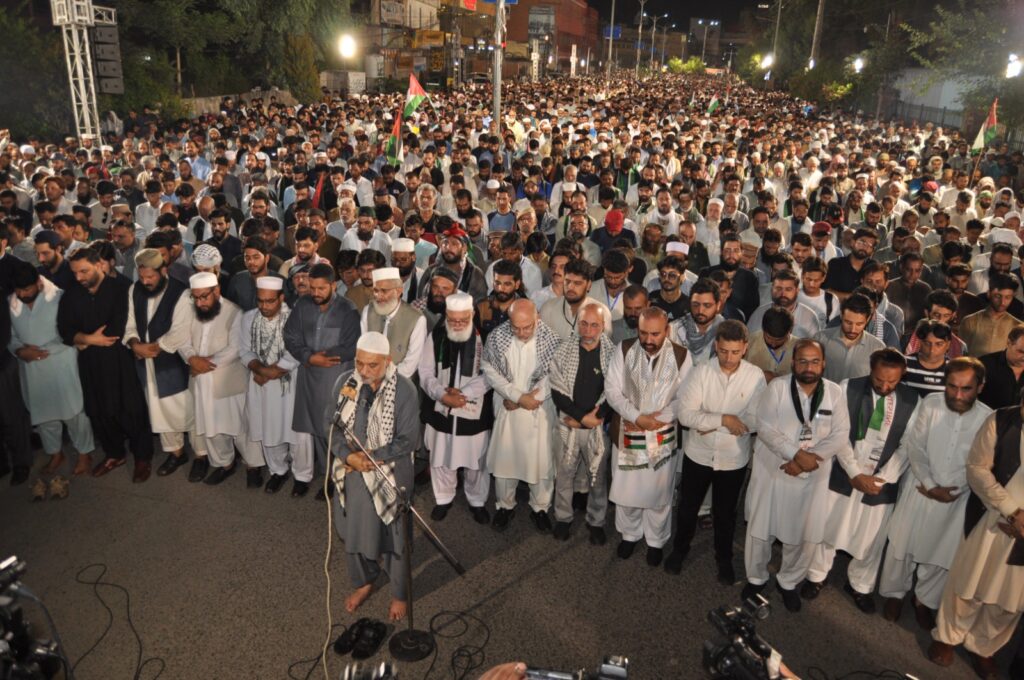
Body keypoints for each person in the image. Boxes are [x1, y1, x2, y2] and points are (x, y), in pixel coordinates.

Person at [803, 349, 920, 613]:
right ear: (871, 370)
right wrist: (854, 472)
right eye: (879, 380)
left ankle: (860, 585)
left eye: (893, 381)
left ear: (902, 376)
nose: (885, 386)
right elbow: (838, 433)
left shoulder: (913, 401)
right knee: (828, 528)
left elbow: (907, 446)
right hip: (845, 472)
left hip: (880, 481)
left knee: (871, 539)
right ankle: (816, 575)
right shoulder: (849, 388)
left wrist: (880, 479)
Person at [880, 358, 992, 634]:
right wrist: (931, 484)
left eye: (966, 389)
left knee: (939, 554)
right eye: (951, 386)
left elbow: (983, 463)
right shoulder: (930, 403)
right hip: (920, 487)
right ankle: (894, 594)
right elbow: (915, 447)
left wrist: (955, 489)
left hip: (957, 497)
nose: (957, 394)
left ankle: (924, 600)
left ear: (980, 387)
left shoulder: (988, 418)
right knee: (902, 546)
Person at [742, 339, 852, 613]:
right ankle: (756, 578)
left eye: (815, 361)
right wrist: (794, 454)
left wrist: (807, 461)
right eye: (802, 360)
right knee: (760, 530)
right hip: (774, 471)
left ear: (823, 363)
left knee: (801, 534)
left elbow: (840, 434)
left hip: (811, 476)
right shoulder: (777, 388)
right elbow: (765, 428)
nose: (809, 366)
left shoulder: (835, 393)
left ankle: (788, 581)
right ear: (793, 362)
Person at [926, 395, 1024, 678]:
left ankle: (983, 647)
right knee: (968, 582)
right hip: (992, 515)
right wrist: (1011, 511)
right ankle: (947, 636)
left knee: (1010, 600)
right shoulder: (1001, 420)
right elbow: (977, 469)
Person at [329, 331, 419, 622]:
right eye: (360, 364)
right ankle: (364, 581)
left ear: (388, 361)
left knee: (395, 539)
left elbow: (408, 440)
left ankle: (398, 593)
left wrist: (369, 456)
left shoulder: (404, 390)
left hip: (389, 468)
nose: (364, 372)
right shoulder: (346, 384)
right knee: (353, 531)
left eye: (373, 366)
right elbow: (330, 426)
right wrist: (348, 455)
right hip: (354, 467)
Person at [668, 320, 767, 583]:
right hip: (698, 455)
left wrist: (710, 423)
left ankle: (723, 558)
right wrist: (724, 420)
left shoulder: (756, 376)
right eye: (724, 351)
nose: (729, 357)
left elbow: (756, 421)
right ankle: (680, 550)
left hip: (733, 459)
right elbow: (686, 416)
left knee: (725, 514)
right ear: (716, 345)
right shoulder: (701, 371)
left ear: (745, 348)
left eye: (735, 352)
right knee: (688, 508)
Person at [57, 248, 154, 481]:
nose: (79, 277)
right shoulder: (71, 293)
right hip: (90, 362)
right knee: (98, 411)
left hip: (119, 360)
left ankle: (142, 457)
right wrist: (88, 339)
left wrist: (81, 339)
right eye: (74, 272)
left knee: (130, 409)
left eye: (84, 271)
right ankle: (114, 454)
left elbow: (116, 330)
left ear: (100, 265)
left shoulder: (121, 289)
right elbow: (64, 330)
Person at [605, 307, 692, 565]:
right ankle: (629, 535)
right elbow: (612, 390)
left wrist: (657, 420)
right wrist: (636, 417)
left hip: (661, 434)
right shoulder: (623, 349)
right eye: (643, 333)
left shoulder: (681, 355)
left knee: (658, 494)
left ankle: (656, 540)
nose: (649, 340)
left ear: (667, 330)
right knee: (627, 492)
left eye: (655, 333)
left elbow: (684, 397)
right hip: (628, 431)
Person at [8, 261, 96, 477]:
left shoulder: (59, 298)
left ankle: (85, 453)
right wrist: (20, 351)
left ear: (38, 283)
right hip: (31, 367)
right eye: (18, 290)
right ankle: (55, 453)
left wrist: (46, 349)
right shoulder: (10, 302)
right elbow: (9, 336)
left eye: (26, 289)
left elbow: (72, 330)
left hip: (61, 361)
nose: (22, 294)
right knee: (44, 415)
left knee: (74, 412)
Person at [284, 262, 361, 499]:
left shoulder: (348, 309)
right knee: (317, 429)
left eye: (321, 288)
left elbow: (351, 347)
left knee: (336, 431)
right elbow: (291, 336)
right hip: (310, 377)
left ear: (333, 286)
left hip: (335, 380)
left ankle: (341, 478)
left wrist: (322, 357)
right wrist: (309, 357)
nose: (316, 293)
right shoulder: (302, 305)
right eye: (312, 288)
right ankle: (329, 476)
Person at [482, 299, 560, 532]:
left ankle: (541, 508)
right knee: (506, 459)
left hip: (539, 409)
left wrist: (531, 399)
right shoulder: (497, 337)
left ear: (538, 319)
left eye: (527, 327)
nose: (522, 333)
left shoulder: (552, 340)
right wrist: (517, 396)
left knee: (541, 461)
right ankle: (505, 506)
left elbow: (556, 373)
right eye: (516, 328)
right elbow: (490, 369)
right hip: (509, 409)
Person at [179, 272, 263, 485]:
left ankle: (253, 466)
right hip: (200, 380)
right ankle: (224, 464)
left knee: (240, 426)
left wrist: (205, 363)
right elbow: (181, 339)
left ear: (217, 291)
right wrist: (191, 358)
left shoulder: (235, 313)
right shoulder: (191, 311)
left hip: (228, 379)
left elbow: (236, 348)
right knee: (211, 428)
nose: (200, 302)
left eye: (204, 297)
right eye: (195, 297)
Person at [419, 292, 492, 524]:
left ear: (472, 315)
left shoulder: (486, 337)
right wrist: (441, 394)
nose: (458, 325)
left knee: (476, 460)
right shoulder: (437, 336)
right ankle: (443, 497)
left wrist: (464, 394)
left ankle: (477, 500)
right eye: (453, 320)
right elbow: (426, 372)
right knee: (440, 456)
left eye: (463, 320)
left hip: (474, 409)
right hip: (442, 407)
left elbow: (490, 375)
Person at [238, 276, 314, 497]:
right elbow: (244, 350)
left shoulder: (295, 319)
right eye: (260, 301)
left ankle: (302, 475)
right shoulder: (248, 318)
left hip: (290, 386)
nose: (264, 306)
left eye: (270, 301)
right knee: (268, 427)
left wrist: (272, 371)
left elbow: (297, 352)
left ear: (281, 298)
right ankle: (278, 470)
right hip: (260, 384)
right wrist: (260, 370)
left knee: (298, 433)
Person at [123, 248, 195, 476]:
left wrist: (150, 349)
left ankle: (202, 456)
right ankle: (176, 454)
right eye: (142, 277)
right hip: (146, 363)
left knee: (187, 411)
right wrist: (134, 344)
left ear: (163, 270)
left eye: (151, 277)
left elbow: (180, 333)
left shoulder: (181, 293)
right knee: (158, 409)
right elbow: (130, 324)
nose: (146, 281)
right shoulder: (135, 289)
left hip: (173, 365)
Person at [549, 302, 615, 544]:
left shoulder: (612, 354)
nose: (588, 330)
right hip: (568, 424)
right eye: (584, 324)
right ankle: (563, 519)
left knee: (597, 478)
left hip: (596, 427)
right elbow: (557, 391)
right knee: (564, 475)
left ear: (603, 326)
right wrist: (579, 418)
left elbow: (616, 392)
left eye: (594, 325)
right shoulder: (563, 351)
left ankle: (596, 521)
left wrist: (592, 420)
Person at [360, 267, 426, 380]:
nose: (378, 296)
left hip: (401, 384)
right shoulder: (368, 311)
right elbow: (363, 349)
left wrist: (384, 378)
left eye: (384, 291)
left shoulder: (417, 319)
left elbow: (410, 364)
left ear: (399, 291)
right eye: (375, 290)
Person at [814, 293, 886, 382]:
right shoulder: (820, 339)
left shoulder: (877, 347)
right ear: (841, 315)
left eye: (859, 324)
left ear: (868, 319)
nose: (852, 329)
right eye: (848, 322)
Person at [959, 273, 1023, 358]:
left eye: (1007, 297)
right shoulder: (969, 321)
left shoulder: (1017, 326)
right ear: (989, 293)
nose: (1002, 302)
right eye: (998, 296)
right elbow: (960, 354)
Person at [747, 269, 821, 338]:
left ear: (797, 290)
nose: (783, 294)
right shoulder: (759, 313)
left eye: (788, 289)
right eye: (778, 288)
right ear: (772, 288)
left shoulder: (809, 317)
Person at [538, 257, 598, 340]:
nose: (570, 287)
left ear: (588, 285)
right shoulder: (548, 309)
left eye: (577, 283)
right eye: (567, 281)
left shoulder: (600, 313)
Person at [672, 279, 724, 364]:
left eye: (707, 305)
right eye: (695, 305)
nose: (700, 310)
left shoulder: (726, 331)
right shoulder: (674, 329)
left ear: (718, 305)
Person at [746, 306, 796, 382]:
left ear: (789, 332)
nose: (773, 344)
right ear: (763, 328)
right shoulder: (749, 343)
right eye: (769, 338)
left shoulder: (799, 348)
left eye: (779, 340)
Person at [903, 320, 952, 398]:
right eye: (927, 343)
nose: (932, 349)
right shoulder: (904, 364)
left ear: (948, 344)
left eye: (939, 344)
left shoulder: (954, 369)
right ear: (920, 342)